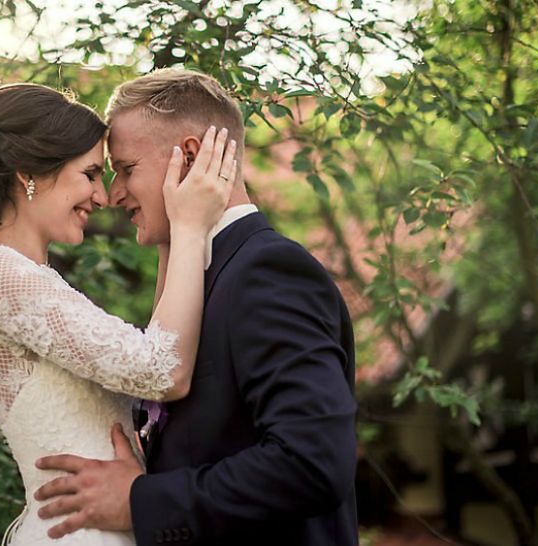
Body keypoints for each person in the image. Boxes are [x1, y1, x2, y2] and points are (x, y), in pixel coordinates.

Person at [0, 83, 237, 546]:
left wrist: (171, 230)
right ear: (29, 173)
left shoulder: (27, 276)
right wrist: (190, 226)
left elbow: (154, 349)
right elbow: (161, 370)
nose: (101, 195)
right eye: (90, 174)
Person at [33, 69, 360, 546]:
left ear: (188, 157)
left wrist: (140, 500)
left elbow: (312, 461)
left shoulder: (268, 272)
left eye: (126, 168)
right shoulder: (198, 276)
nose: (113, 194)